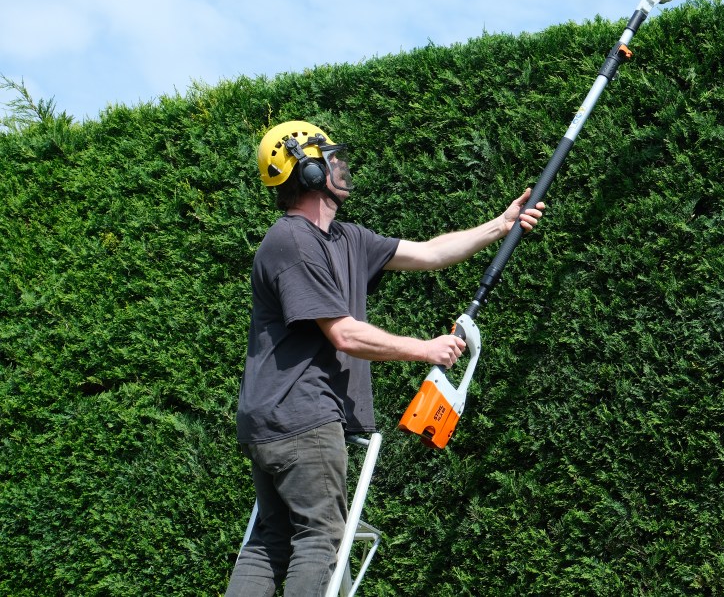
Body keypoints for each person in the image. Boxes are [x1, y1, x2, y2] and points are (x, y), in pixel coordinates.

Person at [225, 121, 544, 596]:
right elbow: (345, 335)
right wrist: (426, 349)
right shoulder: (291, 242)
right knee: (321, 539)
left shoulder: (347, 238)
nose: (342, 166)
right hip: (302, 417)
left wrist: (501, 225)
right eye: (331, 159)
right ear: (308, 172)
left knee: (270, 542)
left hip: (275, 419)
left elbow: (432, 253)